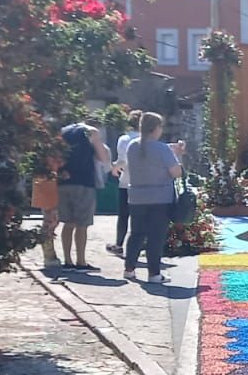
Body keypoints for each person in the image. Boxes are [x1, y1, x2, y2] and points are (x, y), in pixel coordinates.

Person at [123, 112, 185, 285]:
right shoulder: (162, 149)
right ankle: (154, 274)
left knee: (136, 234)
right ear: (155, 128)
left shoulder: (132, 147)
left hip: (136, 197)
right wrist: (178, 157)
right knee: (155, 237)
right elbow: (176, 172)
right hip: (160, 198)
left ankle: (129, 269)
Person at [57, 122, 110, 271]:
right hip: (84, 182)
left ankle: (67, 261)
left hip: (63, 182)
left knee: (68, 223)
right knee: (82, 224)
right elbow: (102, 157)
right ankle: (81, 262)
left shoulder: (63, 131)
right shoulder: (91, 131)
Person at [107, 109, 143, 256]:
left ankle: (119, 244)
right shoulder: (147, 141)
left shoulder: (124, 139)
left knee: (123, 216)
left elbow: (122, 160)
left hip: (126, 181)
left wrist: (114, 167)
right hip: (143, 184)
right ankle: (139, 245)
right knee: (140, 217)